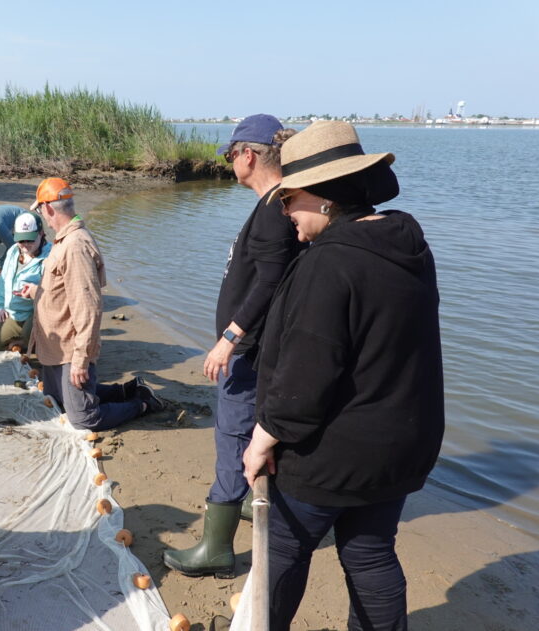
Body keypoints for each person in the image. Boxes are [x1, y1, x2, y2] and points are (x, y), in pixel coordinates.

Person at [241, 120, 444, 630]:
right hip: (400, 444)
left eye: (290, 201)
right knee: (371, 555)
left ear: (325, 198)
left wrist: (263, 438)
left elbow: (307, 375)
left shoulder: (329, 263)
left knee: (283, 549)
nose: (285, 213)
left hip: (333, 453)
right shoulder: (408, 246)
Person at [164, 115, 302, 579]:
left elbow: (268, 281)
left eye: (229, 155)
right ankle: (250, 505)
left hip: (249, 354)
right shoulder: (277, 205)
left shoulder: (272, 210)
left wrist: (229, 337)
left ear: (248, 154)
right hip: (259, 350)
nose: (227, 163)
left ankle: (216, 549)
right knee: (248, 437)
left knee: (232, 439)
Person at [17, 178, 163, 431]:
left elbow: (88, 307)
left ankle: (143, 403)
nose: (43, 217)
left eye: (41, 210)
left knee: (84, 418)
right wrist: (37, 292)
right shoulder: (64, 241)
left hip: (68, 348)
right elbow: (62, 289)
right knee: (58, 400)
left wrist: (81, 359)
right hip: (54, 347)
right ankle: (128, 390)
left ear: (49, 209)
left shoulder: (75, 246)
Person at [0, 212, 51, 352]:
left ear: (41, 234)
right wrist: (1, 306)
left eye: (30, 240)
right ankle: (25, 342)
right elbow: (3, 282)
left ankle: (30, 339)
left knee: (31, 335)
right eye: (21, 240)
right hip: (14, 312)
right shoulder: (13, 251)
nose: (25, 245)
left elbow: (54, 294)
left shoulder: (51, 256)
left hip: (37, 313)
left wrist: (35, 291)